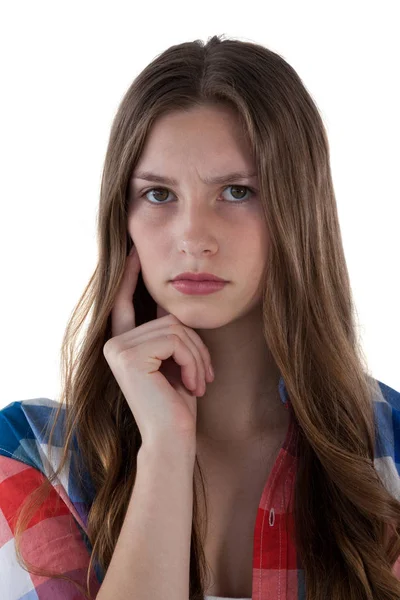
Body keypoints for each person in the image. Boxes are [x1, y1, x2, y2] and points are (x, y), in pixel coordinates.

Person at [1, 33, 400, 600]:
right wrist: (165, 447)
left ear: (299, 213)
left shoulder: (391, 453)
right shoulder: (32, 456)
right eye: (159, 195)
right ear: (123, 219)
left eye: (237, 192)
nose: (193, 237)